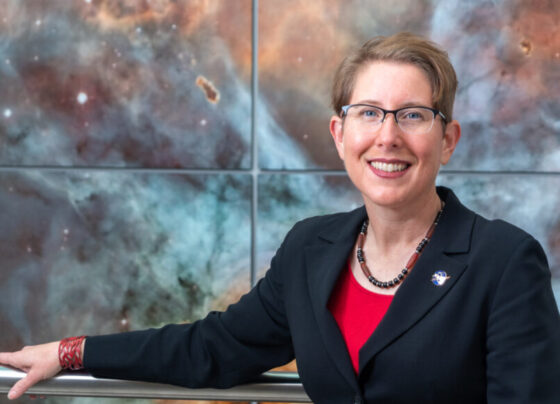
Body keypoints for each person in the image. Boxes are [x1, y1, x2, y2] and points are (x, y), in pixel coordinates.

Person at [1, 32, 559, 403]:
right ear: (340, 135)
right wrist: (70, 352)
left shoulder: (503, 263)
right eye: (368, 113)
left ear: (449, 139)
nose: (387, 136)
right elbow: (210, 350)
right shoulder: (310, 250)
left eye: (412, 115)